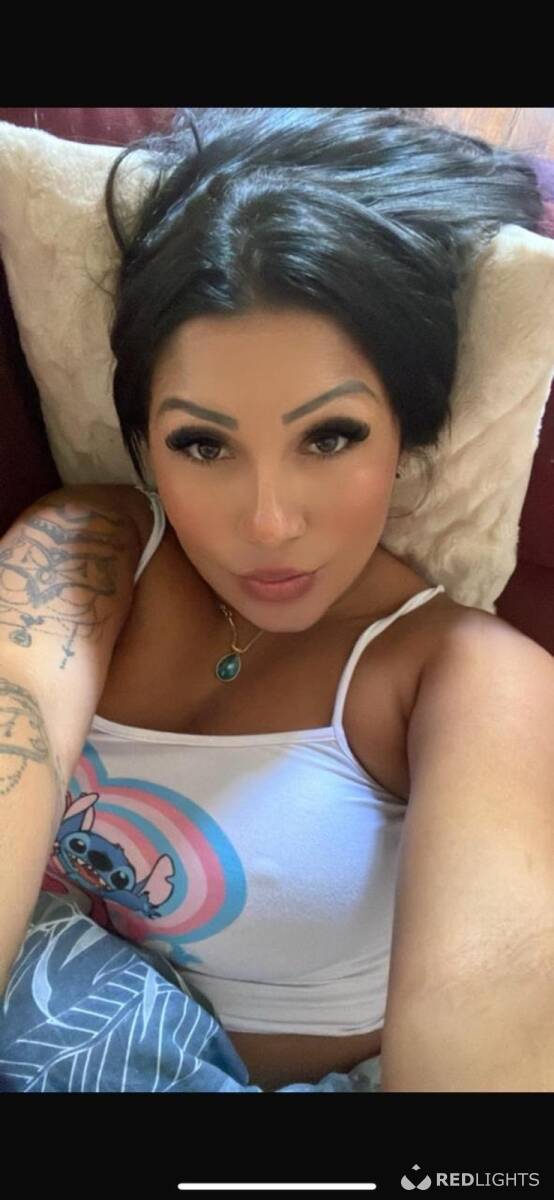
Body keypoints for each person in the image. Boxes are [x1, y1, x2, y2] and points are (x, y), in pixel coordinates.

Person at [1, 108, 552, 1093]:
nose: (266, 523)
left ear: (405, 431)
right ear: (144, 443)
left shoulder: (471, 678)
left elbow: (487, 1044)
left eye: (329, 437)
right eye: (202, 444)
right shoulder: (89, 549)